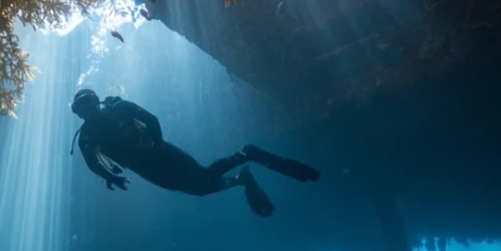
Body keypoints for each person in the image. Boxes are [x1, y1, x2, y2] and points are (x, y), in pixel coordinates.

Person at [68, 88, 320, 217]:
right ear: (77, 112)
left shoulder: (118, 109)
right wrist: (111, 177)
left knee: (202, 176)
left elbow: (151, 119)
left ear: (96, 100)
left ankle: (246, 154)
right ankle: (241, 178)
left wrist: (157, 144)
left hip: (160, 155)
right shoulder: (87, 137)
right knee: (198, 189)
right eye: (81, 107)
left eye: (88, 102)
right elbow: (92, 163)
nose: (87, 110)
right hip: (146, 167)